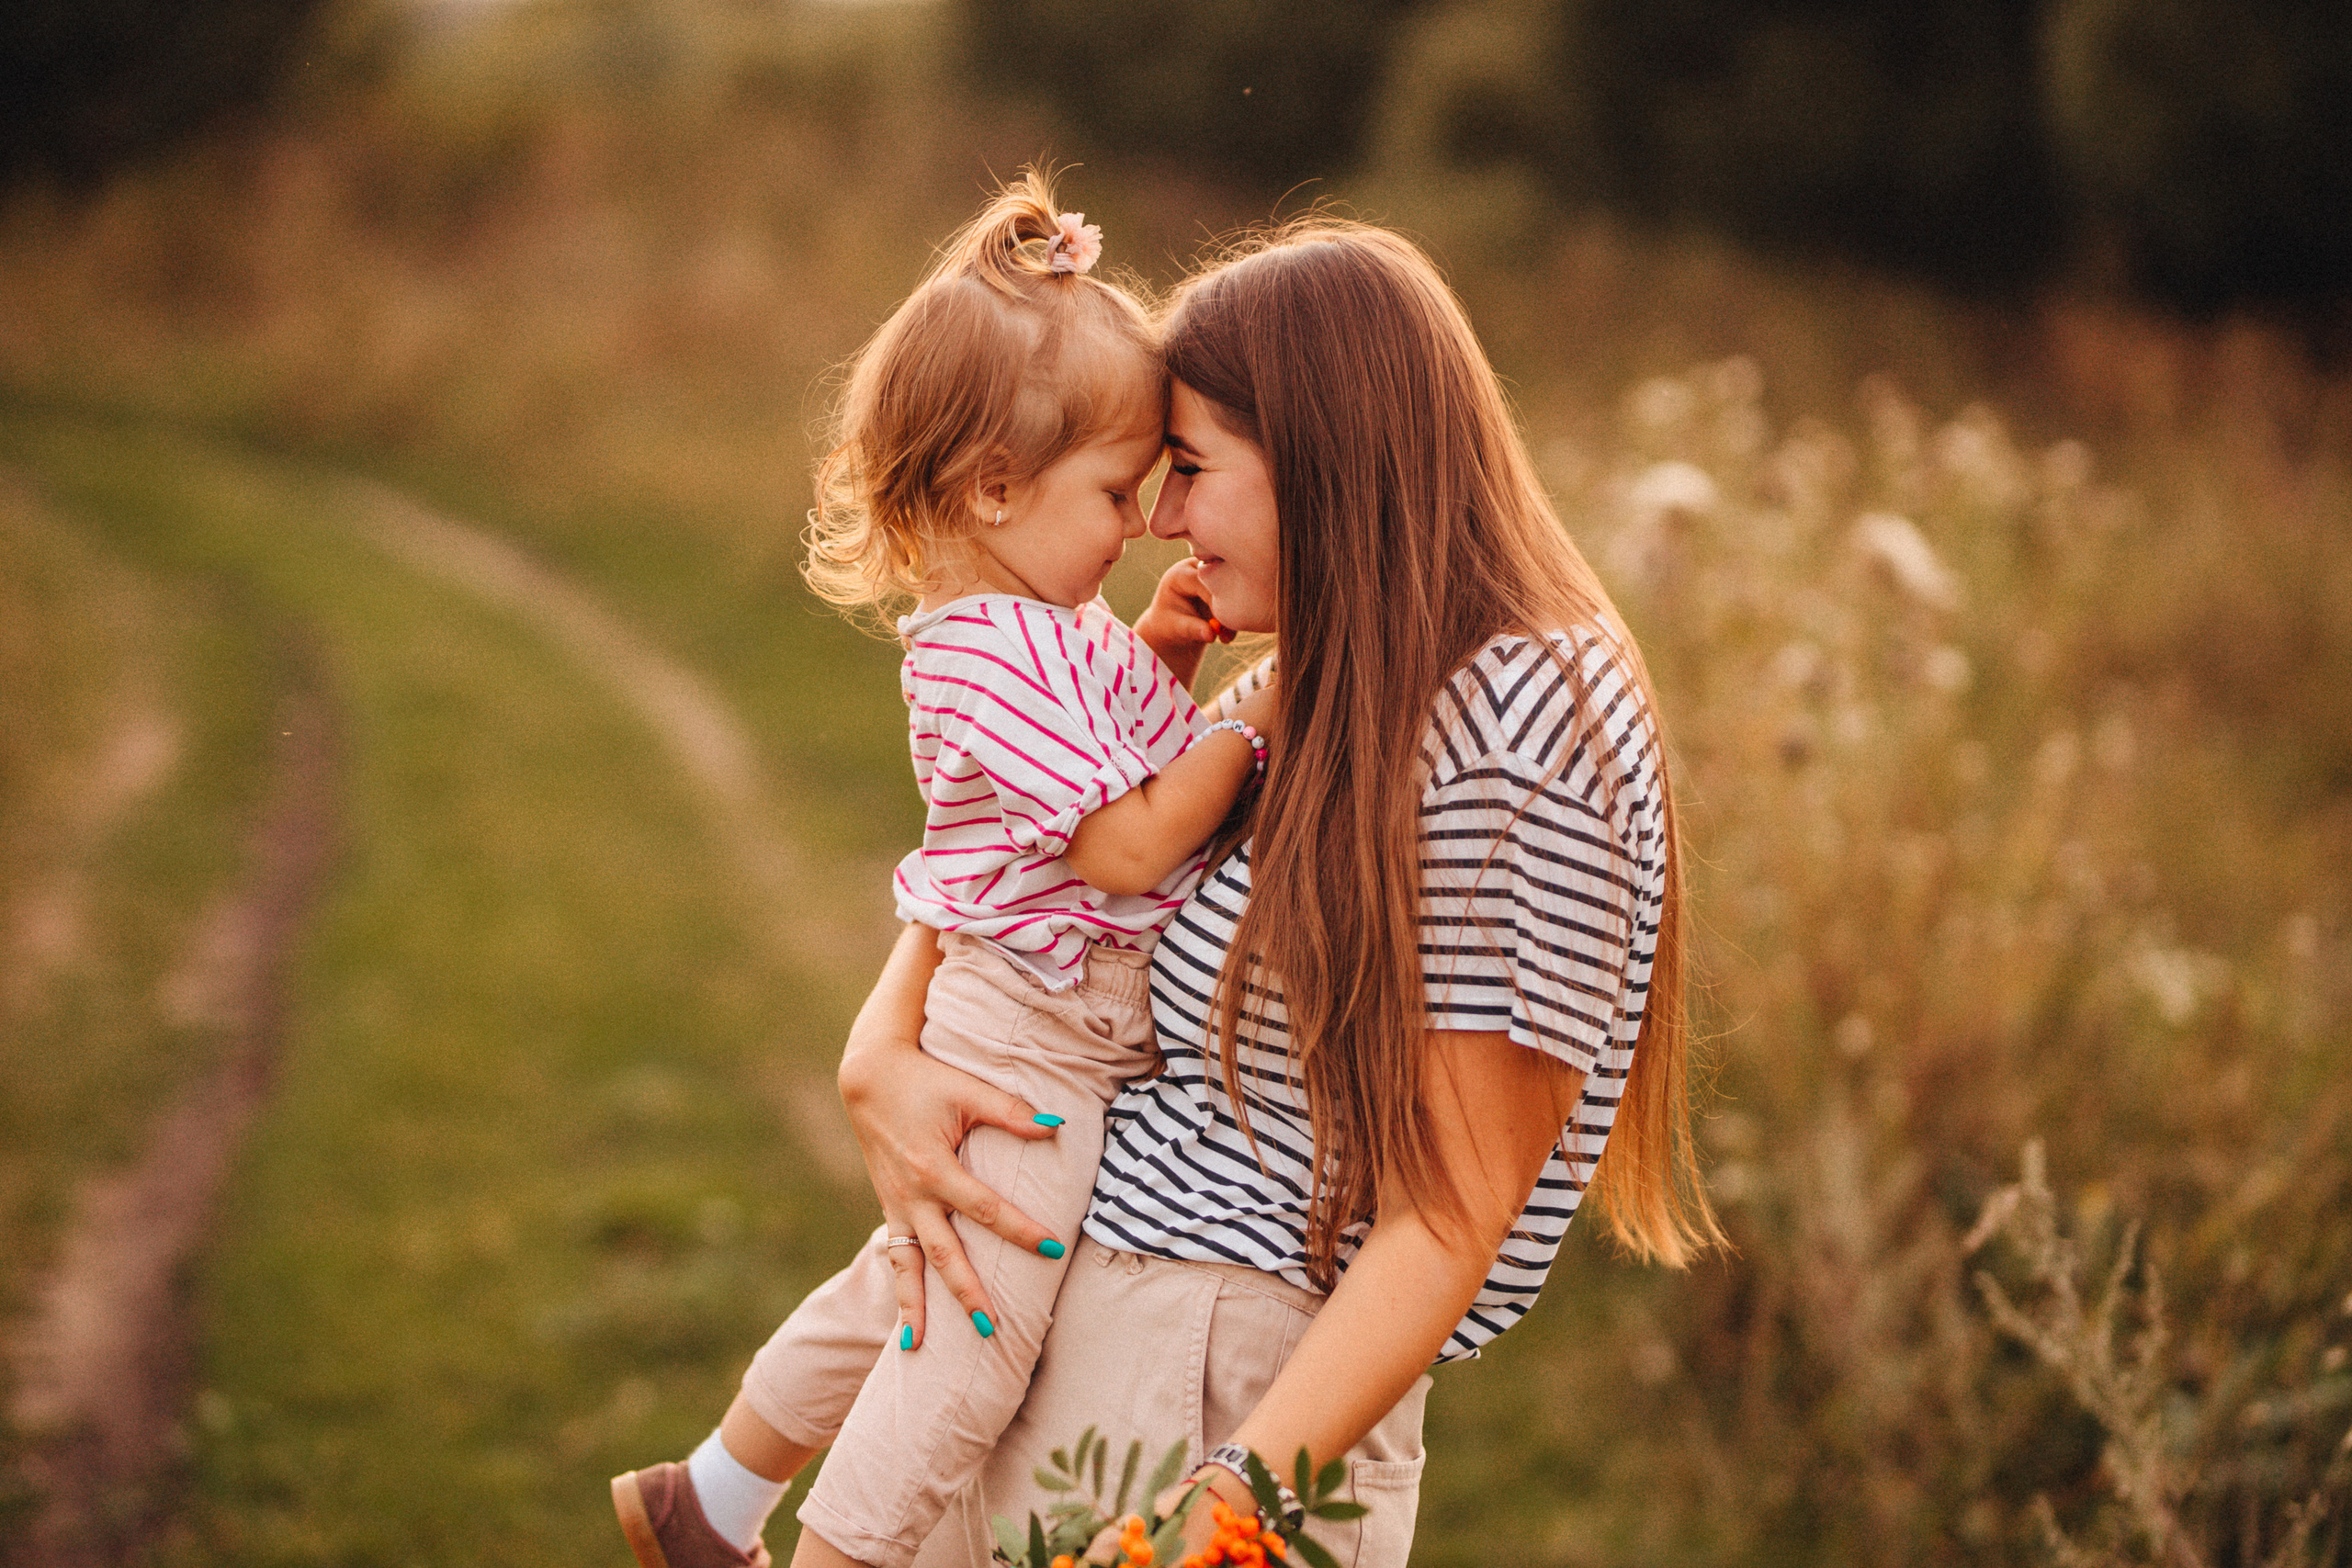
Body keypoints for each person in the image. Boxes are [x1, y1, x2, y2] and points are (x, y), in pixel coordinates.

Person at [831, 218, 1724, 1568]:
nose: (1162, 519)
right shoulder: (1334, 674)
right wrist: (880, 1044)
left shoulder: (1526, 713)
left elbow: (1450, 1212)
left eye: (1189, 470)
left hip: (1210, 1401)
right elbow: (1039, 861)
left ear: (1322, 456)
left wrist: (1232, 1501)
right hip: (1089, 1350)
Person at [610, 171, 1276, 1568]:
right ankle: (840, 1552)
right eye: (1116, 489)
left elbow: (1096, 761)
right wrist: (1250, 721)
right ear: (993, 486)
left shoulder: (1044, 625)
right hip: (1038, 1040)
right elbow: (1131, 838)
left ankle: (714, 1497)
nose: (1143, 522)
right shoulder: (995, 652)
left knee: (909, 1282)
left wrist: (1161, 659)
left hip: (1022, 1014)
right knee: (977, 1334)